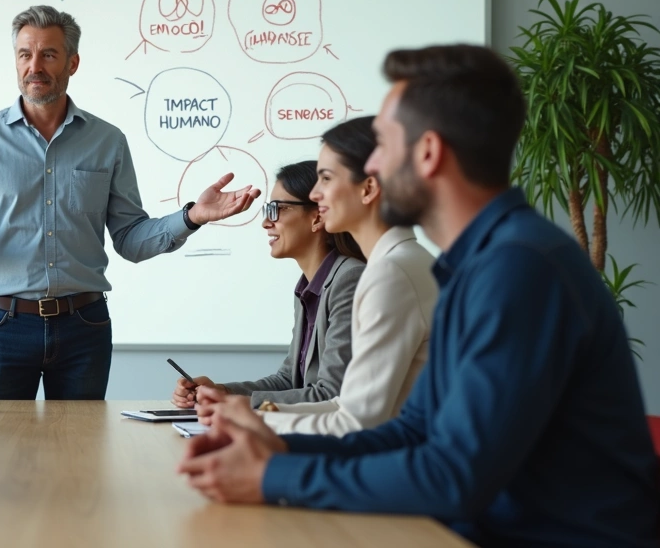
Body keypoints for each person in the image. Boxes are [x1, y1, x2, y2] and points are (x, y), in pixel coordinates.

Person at [177, 45, 660, 547]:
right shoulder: (472, 264)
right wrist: (277, 445)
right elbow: (413, 430)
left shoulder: (520, 268)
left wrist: (270, 477)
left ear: (428, 152)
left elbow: (454, 477)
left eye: (382, 144)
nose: (374, 165)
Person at [0, 5, 258, 400]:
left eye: (48, 54)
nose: (34, 66)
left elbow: (130, 238)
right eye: (25, 54)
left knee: (83, 455)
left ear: (72, 62)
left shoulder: (107, 141)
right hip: (2, 326)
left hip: (85, 326)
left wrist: (193, 216)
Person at [197, 117, 437, 435]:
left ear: (368, 188)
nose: (316, 193)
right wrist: (237, 404)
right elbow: (345, 405)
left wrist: (252, 415)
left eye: (325, 178)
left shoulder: (388, 274)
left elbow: (354, 418)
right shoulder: (399, 262)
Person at [171, 161, 364, 410]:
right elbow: (288, 380)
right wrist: (221, 390)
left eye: (277, 209)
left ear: (317, 216)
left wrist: (232, 402)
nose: (265, 223)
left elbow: (331, 394)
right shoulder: (309, 286)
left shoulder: (349, 280)